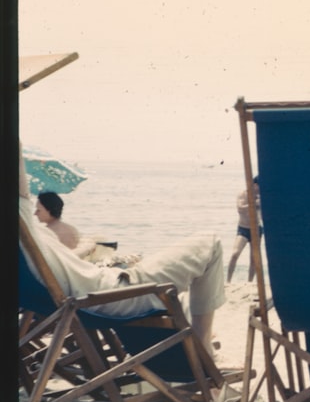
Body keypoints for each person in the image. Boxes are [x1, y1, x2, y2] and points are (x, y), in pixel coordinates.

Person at [18, 141, 226, 355]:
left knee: (182, 293)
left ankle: (200, 340)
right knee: (210, 242)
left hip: (87, 298)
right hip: (113, 294)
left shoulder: (19, 244)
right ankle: (204, 346)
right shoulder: (20, 218)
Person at [226, 177, 262, 283]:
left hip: (256, 229)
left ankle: (249, 282)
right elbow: (240, 208)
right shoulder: (243, 194)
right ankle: (228, 281)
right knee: (235, 254)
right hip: (243, 228)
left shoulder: (261, 197)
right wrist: (253, 204)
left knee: (253, 259)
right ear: (255, 185)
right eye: (259, 187)